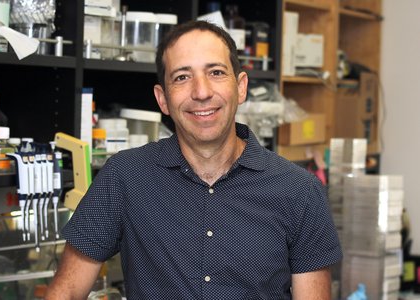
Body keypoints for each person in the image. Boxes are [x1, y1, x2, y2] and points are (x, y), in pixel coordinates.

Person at [45, 20, 342, 299]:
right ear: (163, 99)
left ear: (240, 87)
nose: (201, 92)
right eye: (182, 77)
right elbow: (66, 291)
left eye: (215, 72)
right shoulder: (125, 176)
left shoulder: (299, 191)